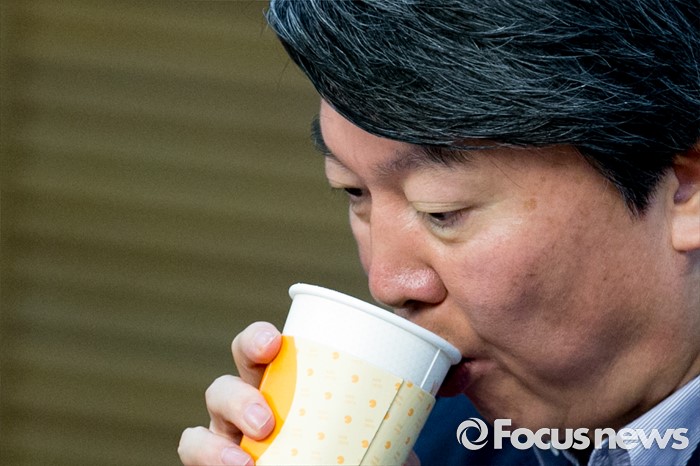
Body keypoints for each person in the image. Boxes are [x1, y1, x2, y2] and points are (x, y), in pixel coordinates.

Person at [178, 1, 700, 465]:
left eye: (441, 210)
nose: (386, 284)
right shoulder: (425, 438)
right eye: (353, 191)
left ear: (685, 191)